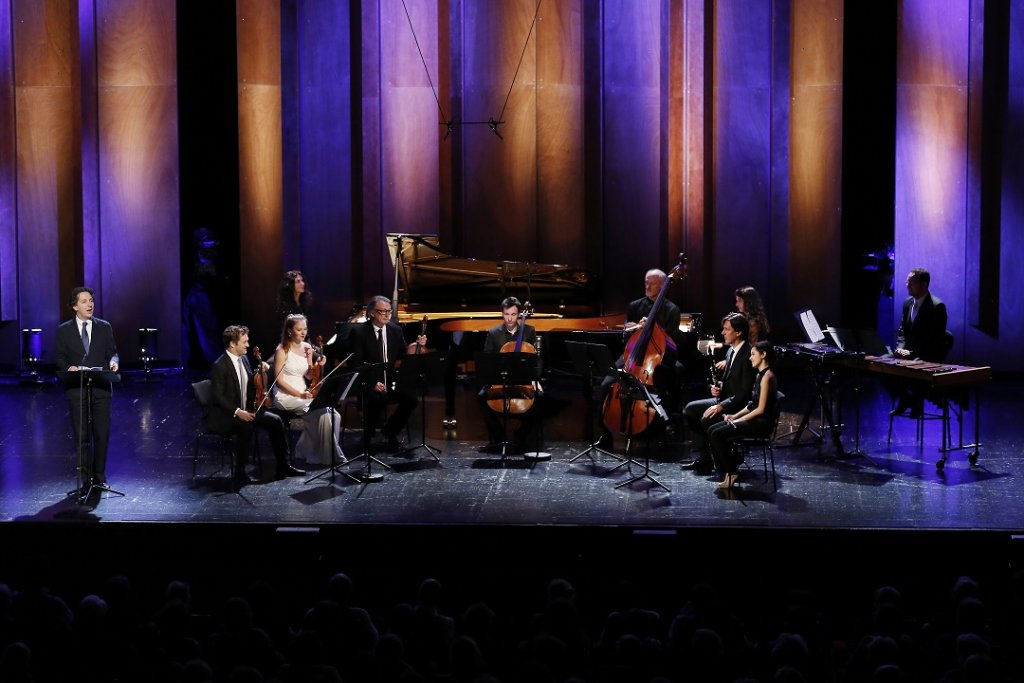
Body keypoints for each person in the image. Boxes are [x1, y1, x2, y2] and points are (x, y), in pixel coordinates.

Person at [206, 325, 305, 488]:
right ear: (232, 344)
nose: (248, 345)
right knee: (246, 427)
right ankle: (240, 472)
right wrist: (238, 412)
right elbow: (217, 397)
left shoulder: (243, 359)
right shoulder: (220, 365)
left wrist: (261, 372)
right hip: (226, 414)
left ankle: (283, 465)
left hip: (247, 410)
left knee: (275, 420)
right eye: (244, 342)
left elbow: (250, 384)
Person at [597, 268, 686, 446]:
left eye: (651, 283)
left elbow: (672, 340)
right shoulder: (635, 306)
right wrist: (633, 328)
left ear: (662, 286)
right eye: (646, 282)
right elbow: (626, 335)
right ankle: (605, 435)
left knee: (675, 373)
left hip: (657, 357)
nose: (647, 286)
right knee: (606, 384)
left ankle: (669, 424)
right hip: (633, 354)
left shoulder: (672, 310)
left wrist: (653, 327)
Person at [55, 287, 120, 487]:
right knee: (82, 436)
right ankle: (85, 479)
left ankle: (99, 477)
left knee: (101, 435)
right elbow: (59, 357)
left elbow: (113, 352)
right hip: (78, 389)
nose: (89, 304)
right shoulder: (63, 330)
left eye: (91, 300)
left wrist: (114, 362)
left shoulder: (104, 326)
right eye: (84, 301)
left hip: (101, 388)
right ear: (74, 306)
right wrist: (69, 367)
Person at [680, 312, 756, 473]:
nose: (722, 333)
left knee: (706, 419)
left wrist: (721, 406)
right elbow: (732, 382)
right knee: (689, 410)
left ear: (738, 332)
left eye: (727, 329)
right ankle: (705, 456)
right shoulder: (731, 351)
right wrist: (719, 387)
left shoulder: (747, 355)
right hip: (726, 399)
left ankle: (726, 456)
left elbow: (745, 393)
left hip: (738, 405)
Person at [350, 295, 426, 452]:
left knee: (411, 399)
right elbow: (356, 364)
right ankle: (367, 437)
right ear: (371, 313)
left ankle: (390, 431)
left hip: (390, 380)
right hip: (368, 382)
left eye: (389, 312)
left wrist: (416, 345)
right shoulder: (359, 332)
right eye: (382, 311)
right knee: (375, 398)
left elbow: (403, 354)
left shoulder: (395, 330)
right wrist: (372, 383)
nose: (386, 315)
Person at [271, 314, 345, 466]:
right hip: (286, 395)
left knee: (335, 415)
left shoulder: (307, 348)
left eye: (305, 329)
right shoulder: (281, 350)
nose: (303, 332)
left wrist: (319, 365)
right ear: (289, 331)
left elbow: (309, 375)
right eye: (299, 329)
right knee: (323, 412)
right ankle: (326, 457)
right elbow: (279, 381)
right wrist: (299, 394)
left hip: (304, 393)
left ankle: (307, 450)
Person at [706, 341, 779, 489]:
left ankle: (732, 471)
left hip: (761, 423)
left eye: (753, 354)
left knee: (717, 435)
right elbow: (751, 405)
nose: (750, 358)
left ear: (763, 355)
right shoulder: (760, 375)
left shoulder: (767, 377)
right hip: (754, 419)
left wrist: (739, 421)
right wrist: (734, 416)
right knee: (712, 430)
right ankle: (729, 468)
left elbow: (760, 409)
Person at [476, 296, 542, 451]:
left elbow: (536, 359)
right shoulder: (493, 333)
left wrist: (535, 379)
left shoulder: (529, 331)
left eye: (513, 314)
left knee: (540, 397)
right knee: (481, 397)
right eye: (506, 314)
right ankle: (498, 437)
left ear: (519, 314)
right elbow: (487, 359)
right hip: (500, 379)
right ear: (502, 314)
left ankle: (521, 436)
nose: (510, 318)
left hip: (523, 380)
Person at [890, 268, 949, 416]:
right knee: (882, 365)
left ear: (924, 285)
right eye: (907, 281)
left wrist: (910, 352)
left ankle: (916, 403)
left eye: (911, 282)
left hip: (927, 355)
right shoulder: (907, 303)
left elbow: (934, 340)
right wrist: (900, 348)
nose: (907, 284)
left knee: (915, 365)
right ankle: (906, 399)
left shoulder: (937, 307)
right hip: (908, 353)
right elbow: (902, 331)